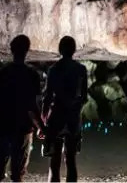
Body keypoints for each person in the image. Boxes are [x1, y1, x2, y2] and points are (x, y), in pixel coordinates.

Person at [0, 35, 45, 182]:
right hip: (23, 129)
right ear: (27, 51)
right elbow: (32, 107)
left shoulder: (0, 75)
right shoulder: (32, 76)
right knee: (18, 175)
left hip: (3, 127)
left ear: (11, 50)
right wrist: (41, 126)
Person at [42, 35, 89, 182]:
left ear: (60, 49)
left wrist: (43, 119)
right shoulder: (81, 69)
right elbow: (84, 96)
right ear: (74, 50)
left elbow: (48, 96)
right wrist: (75, 108)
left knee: (54, 163)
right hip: (73, 118)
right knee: (71, 161)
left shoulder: (54, 69)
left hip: (56, 117)